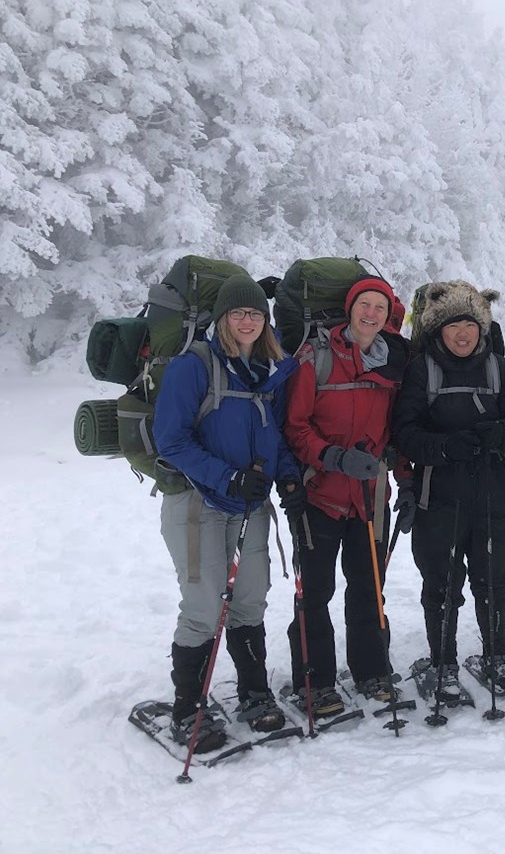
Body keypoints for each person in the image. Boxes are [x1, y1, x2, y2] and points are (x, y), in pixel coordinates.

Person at [154, 273, 300, 752]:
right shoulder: (193, 366)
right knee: (202, 606)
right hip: (197, 501)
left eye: (255, 313)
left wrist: (290, 477)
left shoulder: (268, 372)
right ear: (221, 319)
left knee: (250, 599)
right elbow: (170, 439)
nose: (247, 321)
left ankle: (254, 693)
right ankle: (188, 709)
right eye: (238, 313)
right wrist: (227, 477)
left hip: (250, 503)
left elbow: (272, 435)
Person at [283, 277, 412, 716]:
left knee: (368, 587)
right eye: (364, 304)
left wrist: (404, 477)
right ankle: (314, 680)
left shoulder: (393, 362)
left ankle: (372, 670)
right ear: (350, 308)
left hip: (371, 496)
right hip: (319, 494)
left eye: (380, 306)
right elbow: (295, 427)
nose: (371, 313)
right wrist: (332, 457)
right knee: (315, 591)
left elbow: (398, 430)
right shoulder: (315, 359)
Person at [391, 280, 505, 694]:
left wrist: (501, 434)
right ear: (437, 329)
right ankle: (442, 660)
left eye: (470, 324)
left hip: (494, 492)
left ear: (482, 328)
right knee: (442, 583)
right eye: (453, 325)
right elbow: (403, 433)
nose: (462, 333)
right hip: (439, 495)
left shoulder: (500, 369)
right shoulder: (422, 371)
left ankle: (496, 653)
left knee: (493, 578)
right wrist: (445, 446)